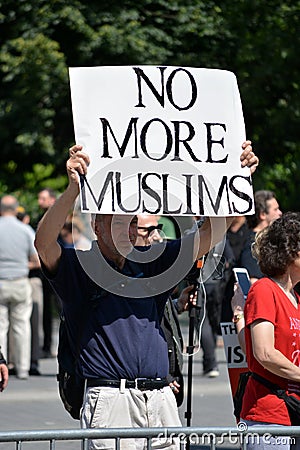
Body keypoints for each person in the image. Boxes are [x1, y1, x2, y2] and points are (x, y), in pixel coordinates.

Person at [34, 141, 258, 449]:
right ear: (98, 226)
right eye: (119, 221)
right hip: (112, 398)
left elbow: (211, 234)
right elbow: (44, 244)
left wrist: (232, 178)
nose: (128, 230)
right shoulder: (80, 267)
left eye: (132, 223)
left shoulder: (153, 262)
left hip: (161, 399)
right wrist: (73, 189)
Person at [240, 212, 300, 449]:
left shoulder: (295, 297)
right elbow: (264, 353)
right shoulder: (264, 290)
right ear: (291, 251)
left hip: (292, 412)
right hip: (269, 416)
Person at [136, 213, 194, 406]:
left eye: (157, 228)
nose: (157, 236)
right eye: (148, 230)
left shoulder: (153, 265)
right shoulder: (128, 273)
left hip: (163, 383)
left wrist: (176, 305)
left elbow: (155, 313)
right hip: (150, 382)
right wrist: (163, 377)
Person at [0, 195, 40, 379]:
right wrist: (23, 265)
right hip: (20, 281)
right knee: (22, 326)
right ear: (16, 210)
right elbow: (37, 260)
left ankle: (3, 365)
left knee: (1, 327)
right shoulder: (25, 230)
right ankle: (23, 368)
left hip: (0, 282)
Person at [240, 190, 282, 284]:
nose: (280, 213)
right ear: (262, 214)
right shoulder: (253, 243)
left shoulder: (271, 240)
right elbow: (253, 280)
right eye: (275, 209)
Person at [37, 188, 59, 358]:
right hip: (45, 270)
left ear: (52, 200)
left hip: (60, 268)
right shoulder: (40, 219)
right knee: (45, 310)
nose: (40, 202)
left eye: (43, 198)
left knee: (63, 308)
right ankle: (46, 345)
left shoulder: (62, 217)